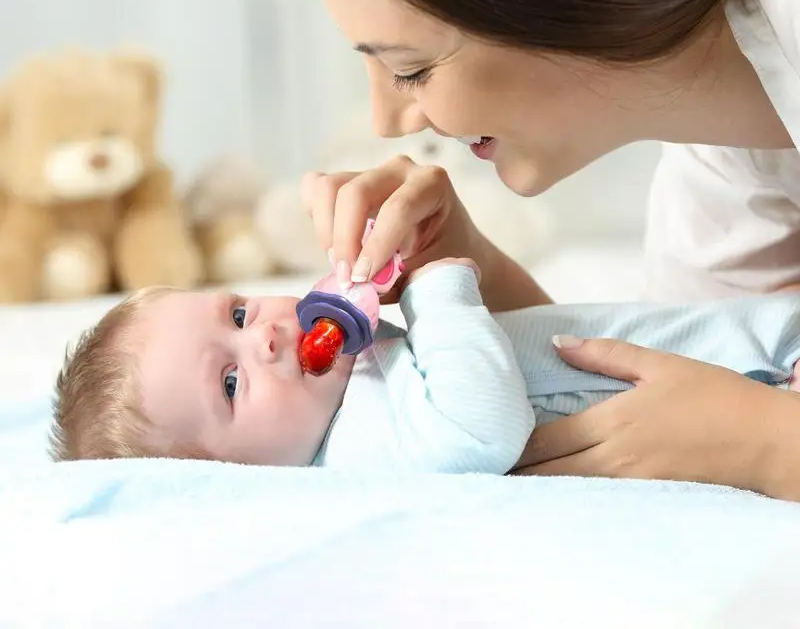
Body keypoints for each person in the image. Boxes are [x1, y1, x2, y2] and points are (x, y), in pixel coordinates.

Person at [280, 0, 800, 498]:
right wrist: (464, 261)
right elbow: (685, 377)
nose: (390, 123)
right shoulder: (725, 138)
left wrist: (771, 444)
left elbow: (738, 420)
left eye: (411, 69)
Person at [48, 257, 800, 472]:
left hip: (748, 341)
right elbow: (484, 423)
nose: (267, 337)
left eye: (240, 314)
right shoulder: (362, 448)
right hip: (758, 375)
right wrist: (432, 288)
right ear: (232, 474)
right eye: (232, 382)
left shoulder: (353, 382)